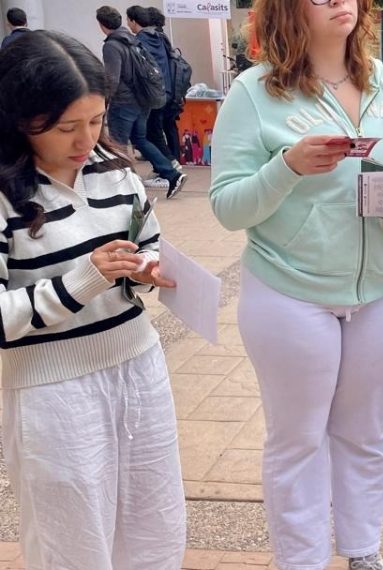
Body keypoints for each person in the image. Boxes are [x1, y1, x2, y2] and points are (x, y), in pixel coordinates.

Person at [208, 0, 383, 567]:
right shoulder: (254, 93)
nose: (339, 1)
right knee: (298, 439)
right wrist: (286, 167)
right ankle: (300, 560)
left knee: (364, 432)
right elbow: (228, 207)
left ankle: (362, 551)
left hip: (382, 290)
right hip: (289, 291)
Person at [0, 30, 185, 569]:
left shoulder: (115, 171)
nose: (86, 140)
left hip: (138, 367)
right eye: (66, 128)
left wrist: (150, 270)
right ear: (19, 117)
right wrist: (84, 281)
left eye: (97, 120)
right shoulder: (8, 195)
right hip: (50, 389)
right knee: (72, 537)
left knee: (154, 522)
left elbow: (146, 242)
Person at [96, 5, 186, 198]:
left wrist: (103, 102)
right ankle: (171, 174)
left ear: (102, 25)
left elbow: (112, 78)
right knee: (140, 139)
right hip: (142, 101)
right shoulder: (133, 40)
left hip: (123, 103)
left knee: (117, 144)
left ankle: (129, 186)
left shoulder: (112, 45)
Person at [144, 6, 185, 168]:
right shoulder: (163, 37)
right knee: (169, 124)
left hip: (163, 89)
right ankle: (174, 157)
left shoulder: (153, 38)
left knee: (159, 128)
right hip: (172, 88)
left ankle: (170, 160)